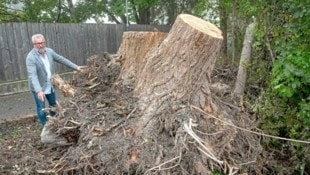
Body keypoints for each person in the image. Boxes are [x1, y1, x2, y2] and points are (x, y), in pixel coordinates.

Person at [26, 34, 83, 126]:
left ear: (44, 42)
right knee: (41, 108)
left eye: (42, 42)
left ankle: (55, 123)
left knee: (53, 105)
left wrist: (76, 67)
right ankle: (45, 127)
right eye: (38, 43)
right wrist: (39, 91)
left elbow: (61, 59)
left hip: (49, 84)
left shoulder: (49, 51)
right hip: (39, 87)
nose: (40, 45)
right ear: (34, 44)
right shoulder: (31, 57)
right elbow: (33, 75)